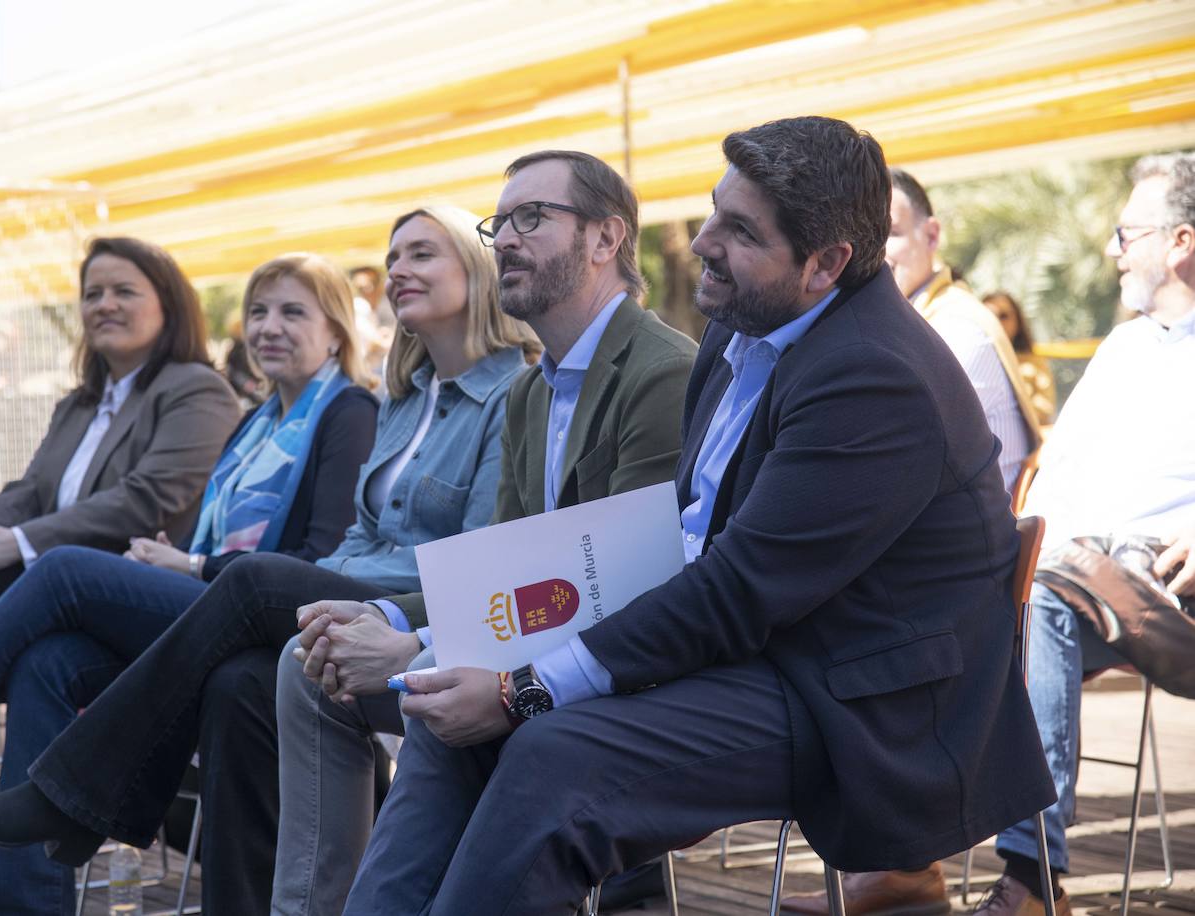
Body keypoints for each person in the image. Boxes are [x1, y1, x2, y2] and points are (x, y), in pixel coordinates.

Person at [325, 115, 1055, 915]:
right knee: (445, 715)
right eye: (714, 209)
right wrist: (446, 645)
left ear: (827, 264)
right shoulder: (744, 326)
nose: (702, 241)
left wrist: (519, 690)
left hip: (858, 699)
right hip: (763, 652)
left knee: (551, 751)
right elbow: (664, 544)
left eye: (739, 230)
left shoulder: (871, 377)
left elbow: (732, 589)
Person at [0, 205, 537, 916]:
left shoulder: (509, 393)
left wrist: (212, 572)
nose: (399, 268)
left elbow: (468, 562)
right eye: (394, 254)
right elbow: (357, 541)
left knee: (139, 575)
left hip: (432, 614)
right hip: (348, 593)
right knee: (234, 678)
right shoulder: (404, 398)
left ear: (477, 268)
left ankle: (42, 786)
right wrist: (316, 580)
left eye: (422, 255)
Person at [0, 253, 378, 915]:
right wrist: (168, 556)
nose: (268, 327)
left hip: (256, 614)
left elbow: (322, 557)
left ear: (338, 331)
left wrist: (194, 567)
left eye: (293, 312)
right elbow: (36, 493)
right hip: (199, 602)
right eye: (257, 311)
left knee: (50, 571)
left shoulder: (345, 412)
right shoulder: (255, 423)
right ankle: (24, 902)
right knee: (42, 659)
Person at [274, 150, 698, 914]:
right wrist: (387, 616)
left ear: (607, 239)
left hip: (627, 673)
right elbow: (495, 570)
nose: (504, 238)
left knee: (443, 700)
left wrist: (418, 646)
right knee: (308, 665)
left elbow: (636, 588)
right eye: (499, 222)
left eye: (532, 217)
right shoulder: (532, 393)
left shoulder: (663, 369)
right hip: (535, 650)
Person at [963, 151, 1195, 916]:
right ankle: (895, 861)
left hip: (1172, 585)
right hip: (1087, 581)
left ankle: (1032, 879)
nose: (1111, 249)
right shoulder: (1125, 346)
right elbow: (1055, 475)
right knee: (985, 600)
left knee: (1047, 596)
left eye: (1127, 234)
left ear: (1181, 242)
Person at [884, 168, 1041, 488]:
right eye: (863, 234)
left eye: (890, 232)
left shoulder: (958, 328)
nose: (873, 249)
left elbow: (899, 455)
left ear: (931, 236)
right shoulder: (907, 319)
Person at [983, 291, 1056, 424]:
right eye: (990, 316)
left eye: (1003, 316)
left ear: (1018, 321)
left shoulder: (1034, 364)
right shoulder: (975, 360)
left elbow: (1045, 408)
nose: (997, 322)